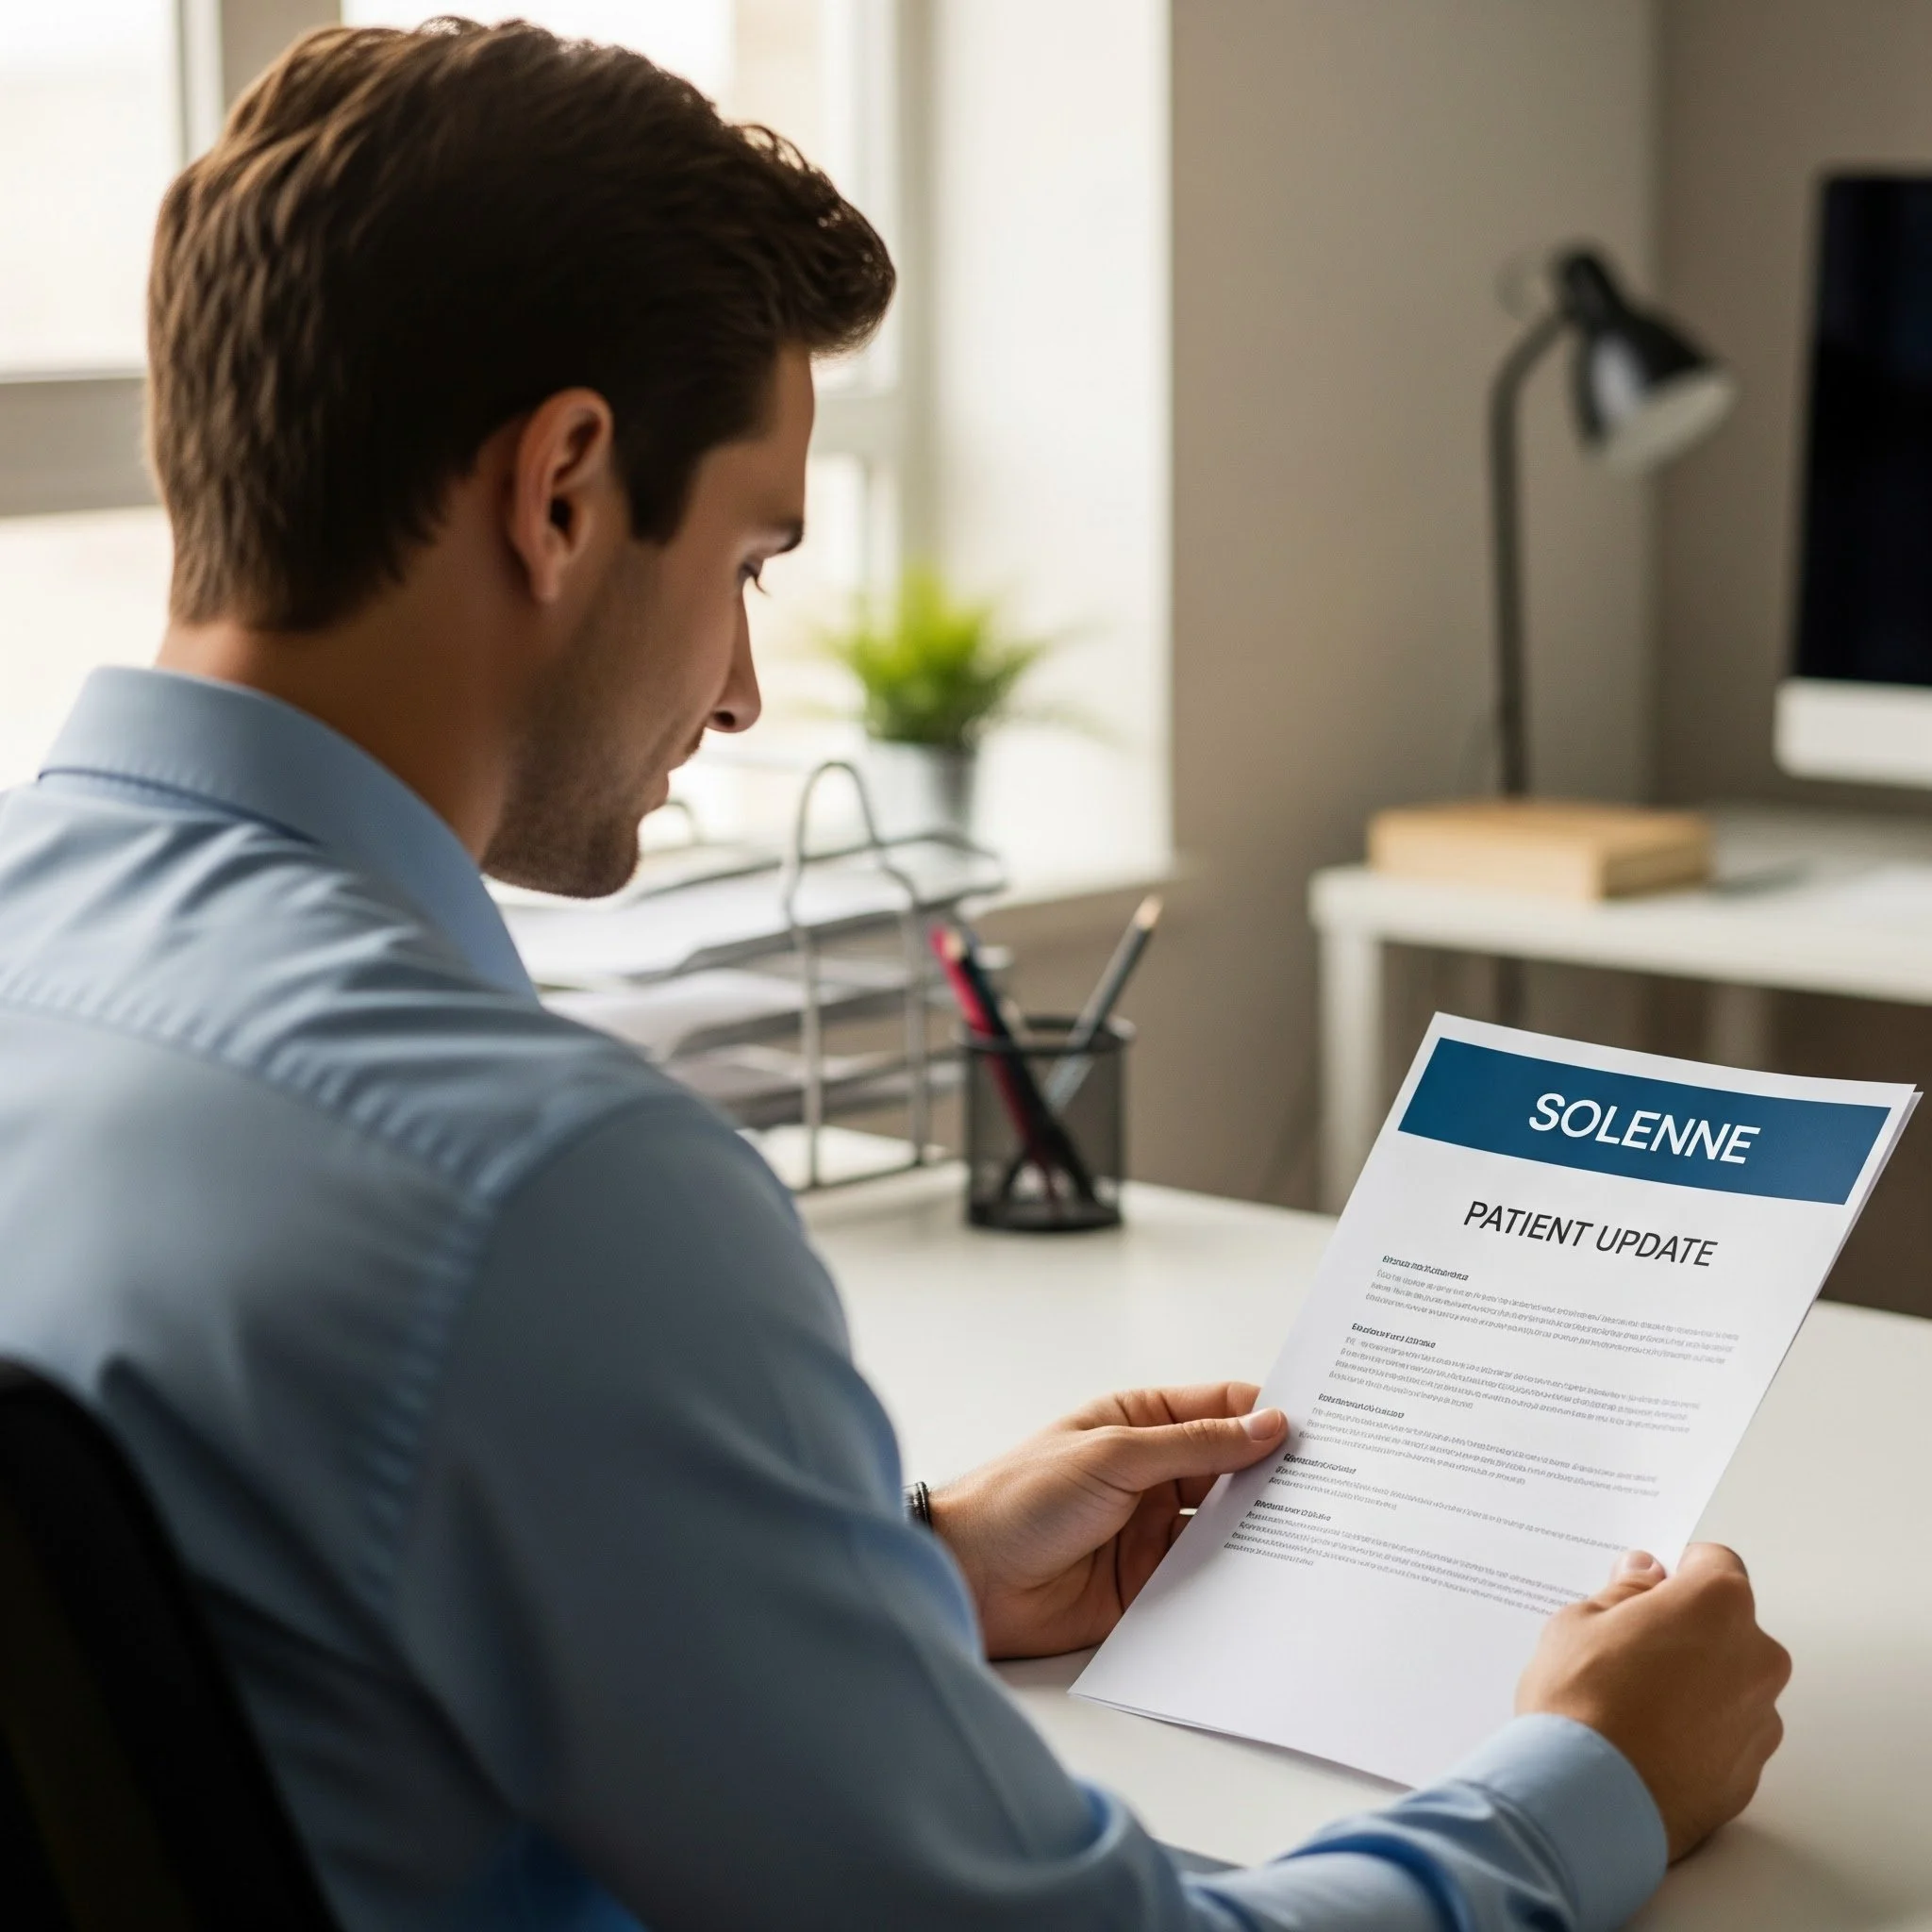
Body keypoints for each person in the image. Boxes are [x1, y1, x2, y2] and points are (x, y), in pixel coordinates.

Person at [0, 20, 1789, 1931]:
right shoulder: (535, 1195)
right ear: (564, 490)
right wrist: (1587, 1780)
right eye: (751, 560)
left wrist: (895, 1569)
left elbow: (278, 1644)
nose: (744, 690)